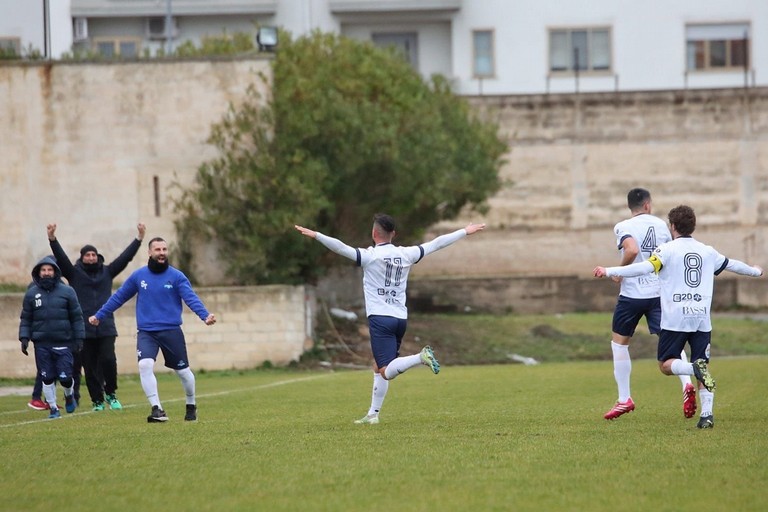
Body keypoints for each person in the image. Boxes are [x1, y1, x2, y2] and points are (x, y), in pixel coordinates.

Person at [295, 214, 486, 424]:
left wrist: (317, 235)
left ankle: (420, 357)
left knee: (386, 370)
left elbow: (341, 248)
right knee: (378, 366)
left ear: (374, 233)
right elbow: (436, 244)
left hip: (380, 319)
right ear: (393, 234)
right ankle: (372, 415)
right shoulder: (407, 254)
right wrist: (464, 231)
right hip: (400, 319)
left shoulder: (369, 256)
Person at [593, 205, 763, 429]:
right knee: (702, 361)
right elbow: (733, 265)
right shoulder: (707, 251)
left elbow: (644, 268)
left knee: (666, 365)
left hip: (676, 318)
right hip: (701, 319)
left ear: (672, 227)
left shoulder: (666, 251)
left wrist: (610, 270)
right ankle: (707, 416)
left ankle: (693, 369)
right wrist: (755, 271)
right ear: (693, 226)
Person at [89, 237, 216, 423]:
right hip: (147, 332)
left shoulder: (177, 276)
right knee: (144, 365)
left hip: (171, 331)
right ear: (149, 252)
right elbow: (119, 297)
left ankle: (191, 404)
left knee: (183, 372)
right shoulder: (138, 276)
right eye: (157, 249)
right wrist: (99, 315)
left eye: (164, 249)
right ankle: (157, 409)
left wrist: (205, 315)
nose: (162, 252)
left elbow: (191, 298)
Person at [602, 188, 695, 421]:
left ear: (630, 207)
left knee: (620, 344)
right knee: (671, 341)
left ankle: (625, 399)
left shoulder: (623, 226)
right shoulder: (662, 225)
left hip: (632, 295)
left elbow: (631, 249)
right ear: (647, 205)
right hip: (658, 294)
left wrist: (620, 271)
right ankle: (686, 384)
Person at [47, 222, 146, 412]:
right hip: (83, 327)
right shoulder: (74, 273)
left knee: (109, 360)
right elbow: (61, 258)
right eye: (87, 255)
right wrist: (52, 238)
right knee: (89, 366)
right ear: (82, 258)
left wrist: (139, 239)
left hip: (106, 325)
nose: (91, 258)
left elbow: (124, 258)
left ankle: (111, 393)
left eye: (93, 254)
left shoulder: (107, 272)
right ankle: (97, 401)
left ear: (97, 256)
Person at [19, 256, 85, 419]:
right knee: (46, 377)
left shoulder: (68, 291)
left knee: (65, 378)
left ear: (55, 272)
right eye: (43, 270)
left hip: (63, 342)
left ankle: (69, 395)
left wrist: (79, 338)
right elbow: (26, 318)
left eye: (50, 270)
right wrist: (24, 338)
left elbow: (77, 317)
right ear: (38, 272)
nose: (47, 273)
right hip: (41, 344)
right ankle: (53, 409)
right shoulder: (32, 294)